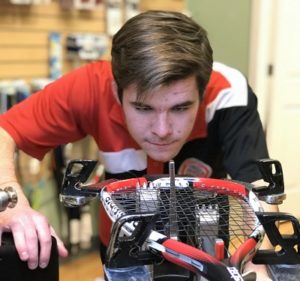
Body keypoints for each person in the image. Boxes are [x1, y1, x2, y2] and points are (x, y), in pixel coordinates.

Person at [0, 10, 272, 279]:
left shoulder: (229, 91)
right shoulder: (91, 86)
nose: (163, 130)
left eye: (180, 108)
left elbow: (259, 191)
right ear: (116, 92)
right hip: (124, 249)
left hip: (208, 248)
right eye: (143, 108)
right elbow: (4, 130)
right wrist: (11, 204)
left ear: (203, 92)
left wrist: (259, 262)